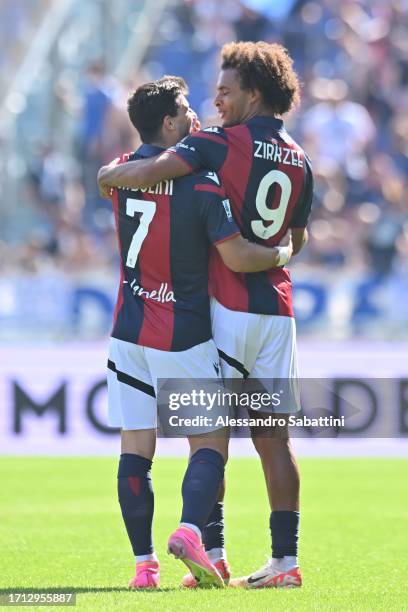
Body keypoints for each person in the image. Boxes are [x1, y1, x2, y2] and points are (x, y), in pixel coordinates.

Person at [98, 41, 313, 590]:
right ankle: (285, 563)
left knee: (208, 436)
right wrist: (283, 256)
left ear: (254, 93)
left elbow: (159, 168)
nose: (215, 101)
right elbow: (299, 235)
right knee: (274, 437)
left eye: (225, 91)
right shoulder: (299, 156)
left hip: (229, 307)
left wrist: (110, 174)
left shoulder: (216, 143)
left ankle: (210, 548)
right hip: (278, 308)